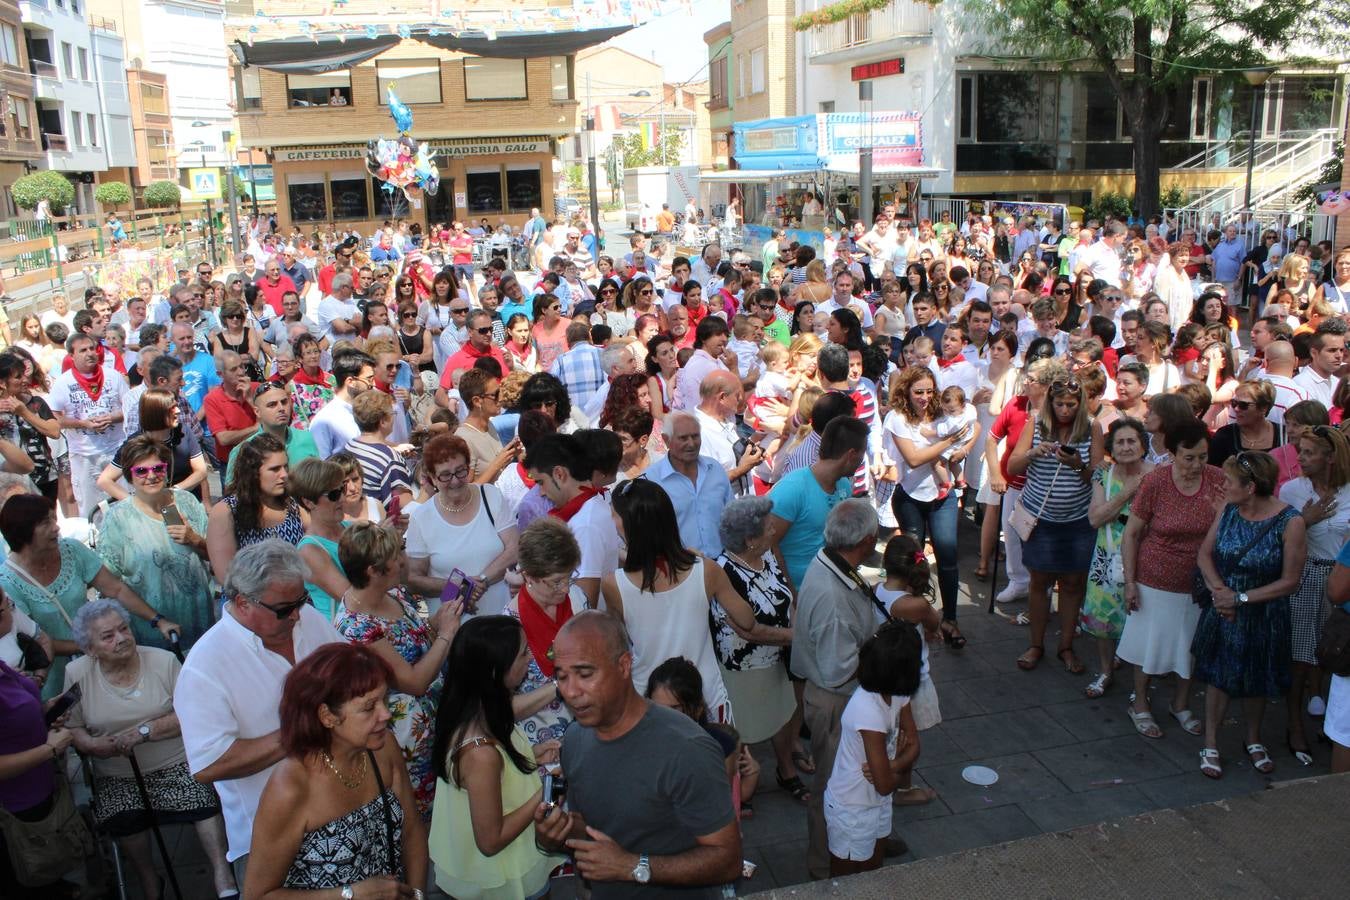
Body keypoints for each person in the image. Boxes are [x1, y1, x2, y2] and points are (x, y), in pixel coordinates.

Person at [532, 611, 742, 897]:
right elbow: (590, 828)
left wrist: (633, 866)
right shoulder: (574, 739)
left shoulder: (687, 748)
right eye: (562, 677)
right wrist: (558, 833)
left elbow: (728, 861)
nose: (571, 691)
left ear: (623, 665)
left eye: (584, 674)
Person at [174, 540, 343, 873]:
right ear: (242, 602)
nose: (297, 614)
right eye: (283, 608)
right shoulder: (204, 667)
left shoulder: (306, 617)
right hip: (272, 839)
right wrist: (302, 731)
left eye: (302, 599)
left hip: (342, 804)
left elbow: (346, 669)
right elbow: (209, 764)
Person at [63, 599, 235, 899]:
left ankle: (224, 878)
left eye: (124, 629)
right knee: (124, 818)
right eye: (108, 636)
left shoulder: (162, 661)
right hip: (118, 775)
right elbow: (72, 726)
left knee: (204, 803)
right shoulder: (77, 673)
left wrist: (146, 730)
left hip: (176, 764)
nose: (121, 638)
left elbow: (193, 712)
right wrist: (91, 744)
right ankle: (149, 880)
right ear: (90, 649)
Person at [244, 643, 428, 895]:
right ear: (327, 716)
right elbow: (257, 895)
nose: (386, 714)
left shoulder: (382, 749)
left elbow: (412, 833)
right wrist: (348, 895)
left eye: (384, 699)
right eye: (368, 707)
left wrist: (417, 894)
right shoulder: (290, 787)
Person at [427, 616, 562, 899]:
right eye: (523, 652)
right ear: (495, 669)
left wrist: (530, 757)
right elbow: (490, 840)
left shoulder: (474, 711)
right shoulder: (479, 752)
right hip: (500, 882)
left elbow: (494, 777)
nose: (530, 658)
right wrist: (545, 786)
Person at [337, 522, 461, 819]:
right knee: (418, 821)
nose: (402, 561)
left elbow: (416, 642)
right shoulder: (358, 625)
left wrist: (437, 623)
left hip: (436, 726)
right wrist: (447, 633)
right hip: (406, 743)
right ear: (372, 571)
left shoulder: (396, 595)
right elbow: (414, 682)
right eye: (395, 556)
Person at [0, 493, 180, 699]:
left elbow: (116, 589)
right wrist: (96, 645)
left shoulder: (71, 550)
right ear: (23, 531)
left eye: (54, 519)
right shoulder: (8, 583)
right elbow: (35, 639)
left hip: (101, 659)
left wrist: (158, 620)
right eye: (45, 522)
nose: (56, 527)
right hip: (55, 674)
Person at [1193, 452, 1306, 778]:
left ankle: (1253, 737)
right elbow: (1204, 554)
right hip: (1223, 608)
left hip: (1264, 612)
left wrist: (1239, 598)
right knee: (1218, 676)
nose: (1223, 486)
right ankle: (1211, 741)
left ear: (1251, 486)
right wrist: (1220, 593)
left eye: (1229, 481)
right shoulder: (1228, 511)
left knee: (1259, 676)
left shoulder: (1291, 522)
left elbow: (1290, 581)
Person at [601, 479, 754, 720]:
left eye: (614, 515)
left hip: (648, 702)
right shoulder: (707, 570)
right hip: (706, 698)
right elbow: (746, 620)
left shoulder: (613, 585)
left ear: (628, 525)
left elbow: (618, 641)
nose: (612, 521)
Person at [1117, 418, 1224, 739]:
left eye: (1202, 457)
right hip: (1155, 578)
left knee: (1190, 646)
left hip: (1198, 583)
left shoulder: (1218, 481)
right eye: (1188, 457)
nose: (1196, 465)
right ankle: (1140, 704)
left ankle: (1180, 703)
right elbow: (1132, 534)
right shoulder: (1156, 483)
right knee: (1147, 645)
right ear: (1173, 454)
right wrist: (1131, 581)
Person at [712, 498, 802, 804]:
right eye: (768, 527)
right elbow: (747, 630)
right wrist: (797, 637)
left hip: (777, 657)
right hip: (744, 665)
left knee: (783, 714)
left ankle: (786, 769)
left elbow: (786, 594)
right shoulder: (723, 572)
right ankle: (741, 786)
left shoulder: (769, 555)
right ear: (750, 540)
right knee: (743, 729)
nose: (775, 529)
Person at [1007, 373, 1096, 673]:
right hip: (1040, 519)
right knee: (1039, 582)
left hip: (1077, 521)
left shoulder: (1092, 428)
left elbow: (1095, 477)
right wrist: (1032, 452)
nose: (1065, 410)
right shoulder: (1035, 424)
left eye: (1071, 404)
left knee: (1072, 584)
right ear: (1050, 402)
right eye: (1059, 403)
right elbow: (1012, 466)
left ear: (1080, 404)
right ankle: (1036, 645)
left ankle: (1066, 646)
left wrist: (1078, 464)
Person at [822, 622, 923, 877]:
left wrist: (894, 765)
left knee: (873, 871)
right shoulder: (868, 712)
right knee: (846, 881)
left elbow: (914, 745)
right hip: (852, 809)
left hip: (876, 802)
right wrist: (898, 766)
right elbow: (885, 784)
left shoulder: (898, 694)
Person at [96, 436, 213, 648]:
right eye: (141, 471)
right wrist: (156, 620)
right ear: (129, 476)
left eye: (158, 469)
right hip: (152, 630)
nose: (151, 476)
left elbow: (216, 556)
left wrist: (194, 540)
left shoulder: (186, 501)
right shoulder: (118, 518)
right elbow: (110, 584)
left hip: (199, 622)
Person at [1277, 424, 1350, 762]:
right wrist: (1304, 520)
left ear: (1331, 457)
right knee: (1301, 659)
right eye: (1300, 451)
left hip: (1342, 582)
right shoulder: (1292, 490)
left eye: (1309, 452)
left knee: (1335, 655)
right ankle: (1294, 723)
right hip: (1306, 577)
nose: (1300, 457)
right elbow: (1275, 537)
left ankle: (1333, 721)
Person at [885, 366, 970, 648]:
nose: (924, 397)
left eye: (929, 391)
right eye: (918, 391)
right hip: (910, 496)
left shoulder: (942, 411)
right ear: (907, 391)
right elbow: (913, 458)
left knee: (947, 552)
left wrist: (964, 447)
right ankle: (913, 619)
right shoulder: (897, 418)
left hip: (941, 496)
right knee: (913, 559)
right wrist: (949, 441)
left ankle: (951, 619)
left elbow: (973, 422)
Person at [1080, 419, 1153, 698]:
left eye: (1132, 441)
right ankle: (1106, 671)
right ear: (1111, 447)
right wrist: (1126, 493)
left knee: (1141, 620)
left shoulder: (1157, 476)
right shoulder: (1103, 475)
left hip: (1145, 558)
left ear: (1143, 445)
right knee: (1103, 620)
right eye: (1120, 442)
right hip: (1106, 558)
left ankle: (1140, 684)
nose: (1126, 447)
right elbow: (1095, 518)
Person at [406, 435, 517, 616]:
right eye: (445, 475)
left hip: (501, 619)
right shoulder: (421, 518)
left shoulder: (491, 496)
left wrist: (480, 581)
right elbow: (414, 579)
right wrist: (458, 588)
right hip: (455, 626)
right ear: (433, 478)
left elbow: (513, 549)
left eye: (460, 471)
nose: (455, 481)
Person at [506, 518, 584, 746]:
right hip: (540, 747)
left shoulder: (577, 600)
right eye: (556, 582)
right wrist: (559, 687)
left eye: (569, 576)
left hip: (587, 734)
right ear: (529, 576)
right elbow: (501, 708)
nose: (566, 588)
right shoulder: (510, 626)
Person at [206, 433, 305, 584]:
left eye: (285, 466)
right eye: (275, 469)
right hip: (249, 601)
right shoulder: (226, 511)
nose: (284, 475)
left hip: (297, 599)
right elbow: (226, 576)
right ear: (253, 473)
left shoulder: (292, 504)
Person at [48, 334, 127, 516]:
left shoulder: (113, 376)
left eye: (92, 348)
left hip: (116, 451)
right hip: (84, 455)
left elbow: (130, 409)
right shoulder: (63, 383)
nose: (90, 353)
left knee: (125, 502)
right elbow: (55, 420)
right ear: (71, 355)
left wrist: (112, 418)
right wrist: (82, 423)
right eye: (83, 350)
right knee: (92, 509)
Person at [309, 350, 375, 459]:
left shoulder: (365, 411)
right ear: (350, 382)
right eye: (369, 379)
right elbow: (321, 467)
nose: (373, 384)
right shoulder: (324, 420)